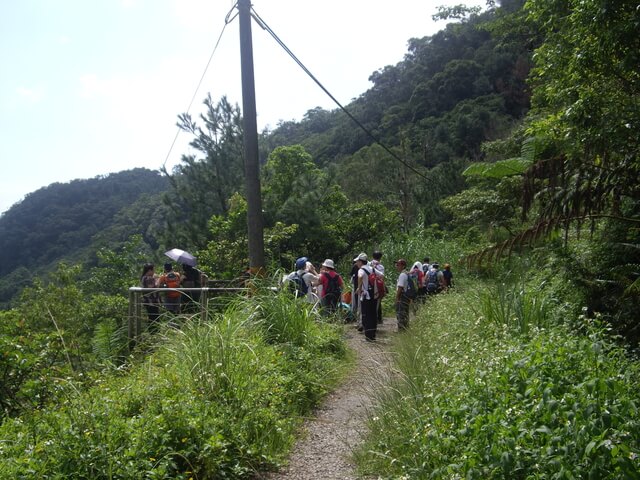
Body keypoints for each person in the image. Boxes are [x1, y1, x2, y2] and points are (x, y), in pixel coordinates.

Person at [355, 252, 377, 342]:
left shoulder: (361, 270)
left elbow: (360, 277)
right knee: (373, 315)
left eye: (357, 261)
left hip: (366, 296)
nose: (356, 263)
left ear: (361, 262)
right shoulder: (373, 269)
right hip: (374, 295)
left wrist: (359, 288)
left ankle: (368, 336)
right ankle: (373, 335)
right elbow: (382, 276)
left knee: (366, 315)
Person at [140, 263, 161, 328]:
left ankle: (153, 332)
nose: (154, 272)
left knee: (152, 317)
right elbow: (154, 287)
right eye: (153, 270)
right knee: (154, 318)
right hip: (151, 301)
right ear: (149, 270)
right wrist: (158, 279)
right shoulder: (148, 278)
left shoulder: (143, 277)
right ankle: (154, 332)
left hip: (148, 300)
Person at [395, 259, 411, 330]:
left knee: (401, 312)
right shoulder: (407, 273)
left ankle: (401, 329)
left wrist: (397, 297)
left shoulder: (402, 275)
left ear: (403, 266)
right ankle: (405, 327)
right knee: (405, 312)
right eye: (396, 265)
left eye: (398, 265)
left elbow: (400, 287)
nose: (397, 266)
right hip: (406, 296)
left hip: (402, 296)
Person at [370, 250, 386, 324]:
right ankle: (377, 318)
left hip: (369, 286)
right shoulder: (381, 266)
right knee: (378, 302)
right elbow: (382, 278)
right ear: (380, 258)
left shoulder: (368, 264)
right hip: (377, 287)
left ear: (372, 256)